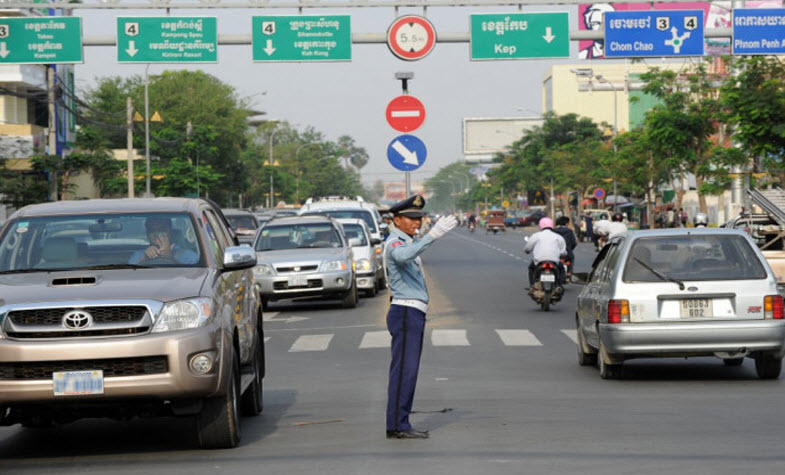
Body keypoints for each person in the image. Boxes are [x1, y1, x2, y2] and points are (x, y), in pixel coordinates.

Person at [383, 195, 457, 440]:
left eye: (419, 218)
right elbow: (404, 256)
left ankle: (399, 421)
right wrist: (432, 236)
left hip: (412, 312)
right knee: (404, 370)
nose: (417, 222)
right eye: (411, 218)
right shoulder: (395, 243)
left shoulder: (406, 241)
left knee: (408, 370)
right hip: (405, 312)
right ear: (396, 220)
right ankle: (397, 425)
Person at [129, 217, 198, 265]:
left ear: (170, 232)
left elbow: (192, 279)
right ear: (147, 234)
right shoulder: (138, 255)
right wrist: (143, 259)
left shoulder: (189, 256)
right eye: (152, 231)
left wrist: (168, 257)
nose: (157, 235)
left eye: (162, 230)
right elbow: (130, 277)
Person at [524, 217, 567, 289]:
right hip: (554, 261)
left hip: (539, 261)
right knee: (562, 270)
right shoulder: (558, 237)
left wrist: (527, 251)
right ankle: (559, 285)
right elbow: (563, 251)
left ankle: (532, 286)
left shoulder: (536, 235)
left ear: (540, 225)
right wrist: (563, 255)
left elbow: (527, 248)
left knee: (531, 269)